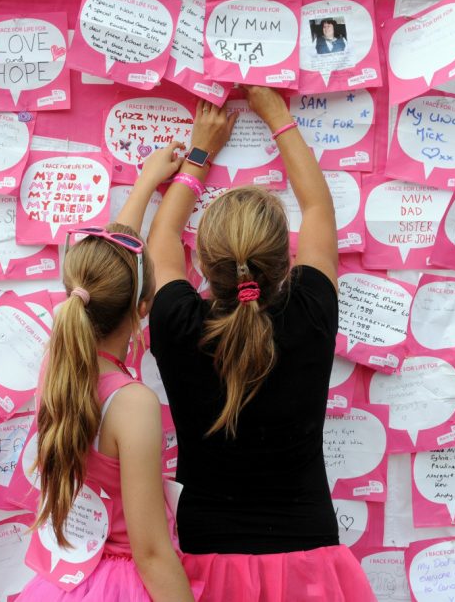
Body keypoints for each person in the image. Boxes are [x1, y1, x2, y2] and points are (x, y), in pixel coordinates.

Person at [143, 88, 375, 600]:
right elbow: (317, 206)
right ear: (283, 262)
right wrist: (276, 114)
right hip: (309, 562)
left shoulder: (180, 325)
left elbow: (161, 239)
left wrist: (199, 153)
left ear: (202, 263)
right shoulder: (310, 314)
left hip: (206, 564)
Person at [16, 144, 196, 602]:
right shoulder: (132, 403)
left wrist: (144, 185)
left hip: (67, 585)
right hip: (124, 584)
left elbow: (109, 274)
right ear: (144, 308)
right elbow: (152, 551)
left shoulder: (57, 369)